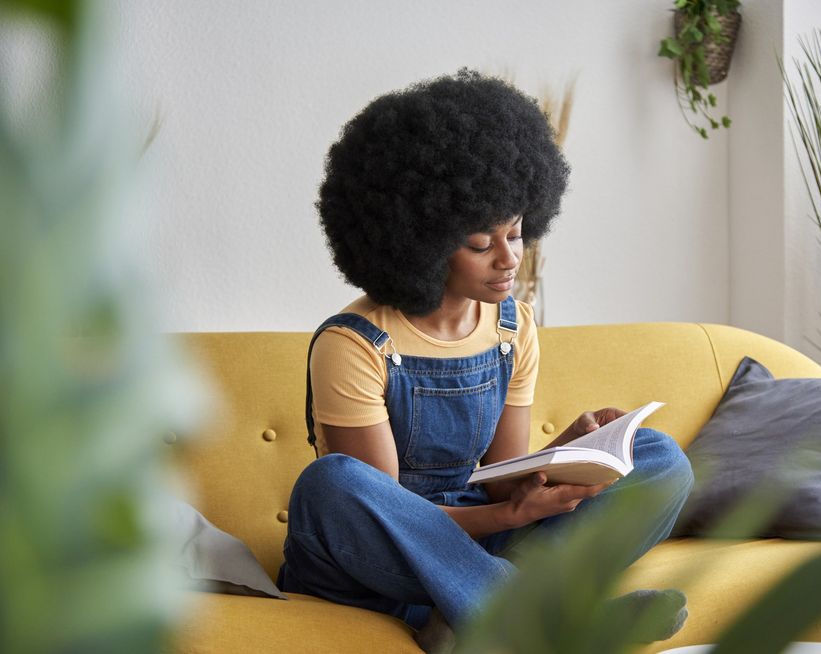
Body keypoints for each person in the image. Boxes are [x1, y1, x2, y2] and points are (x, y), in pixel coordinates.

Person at [277, 69, 694, 652]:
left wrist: (564, 456)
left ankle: (471, 614)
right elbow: (392, 517)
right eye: (480, 244)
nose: (509, 260)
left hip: (476, 543)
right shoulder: (354, 344)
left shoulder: (510, 327)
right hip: (377, 565)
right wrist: (509, 519)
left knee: (660, 459)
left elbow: (499, 483)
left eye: (517, 234)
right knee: (332, 483)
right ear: (419, 242)